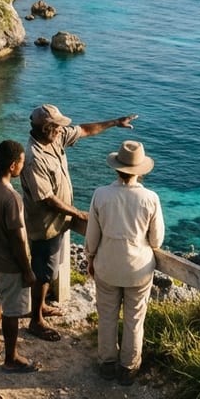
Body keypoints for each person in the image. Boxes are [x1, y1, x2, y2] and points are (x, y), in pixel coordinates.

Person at [21, 104, 137, 342]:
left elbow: (84, 130)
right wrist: (79, 214)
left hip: (58, 221)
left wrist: (115, 122)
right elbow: (48, 199)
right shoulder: (34, 158)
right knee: (44, 271)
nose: (62, 130)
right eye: (57, 126)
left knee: (49, 268)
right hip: (45, 224)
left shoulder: (54, 137)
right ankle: (36, 320)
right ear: (46, 128)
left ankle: (40, 306)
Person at [85, 140, 164, 385]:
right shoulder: (150, 198)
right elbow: (156, 240)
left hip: (107, 265)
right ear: (139, 171)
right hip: (138, 269)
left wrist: (90, 258)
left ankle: (107, 363)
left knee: (107, 315)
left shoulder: (101, 194)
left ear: (116, 168)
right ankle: (128, 368)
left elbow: (91, 236)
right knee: (134, 319)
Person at [0, 140, 39, 373]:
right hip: (9, 265)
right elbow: (18, 240)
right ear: (13, 165)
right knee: (12, 312)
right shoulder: (12, 198)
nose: (23, 167)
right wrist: (27, 270)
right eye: (22, 163)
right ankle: (11, 358)